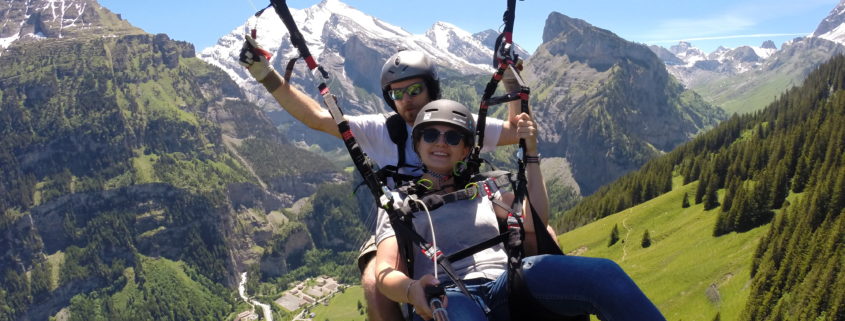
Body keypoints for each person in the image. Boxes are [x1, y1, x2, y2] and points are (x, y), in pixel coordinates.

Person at [239, 37, 527, 320]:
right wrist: (264, 74)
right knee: (374, 285)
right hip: (401, 222)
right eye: (396, 94)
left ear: (431, 88)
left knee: (539, 231)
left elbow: (517, 131)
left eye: (414, 89)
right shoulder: (382, 131)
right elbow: (317, 117)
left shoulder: (455, 122)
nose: (406, 100)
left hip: (462, 210)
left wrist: (512, 84)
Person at [374, 99, 666, 321]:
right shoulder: (400, 203)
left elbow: (534, 221)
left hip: (507, 284)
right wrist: (413, 290)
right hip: (446, 294)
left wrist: (532, 153)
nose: (441, 142)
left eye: (452, 138)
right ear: (418, 144)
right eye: (431, 135)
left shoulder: (485, 188)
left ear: (465, 149)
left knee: (603, 274)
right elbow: (385, 271)